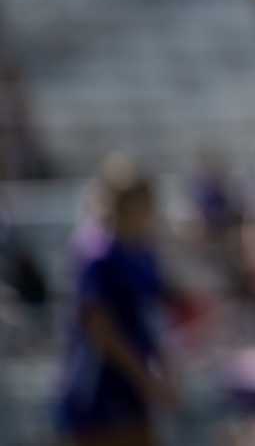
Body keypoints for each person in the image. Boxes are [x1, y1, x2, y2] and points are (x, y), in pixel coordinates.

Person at [55, 159, 175, 446]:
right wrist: (146, 379)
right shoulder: (97, 255)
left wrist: (166, 369)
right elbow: (99, 330)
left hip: (134, 385)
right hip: (99, 388)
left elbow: (154, 317)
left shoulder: (143, 253)